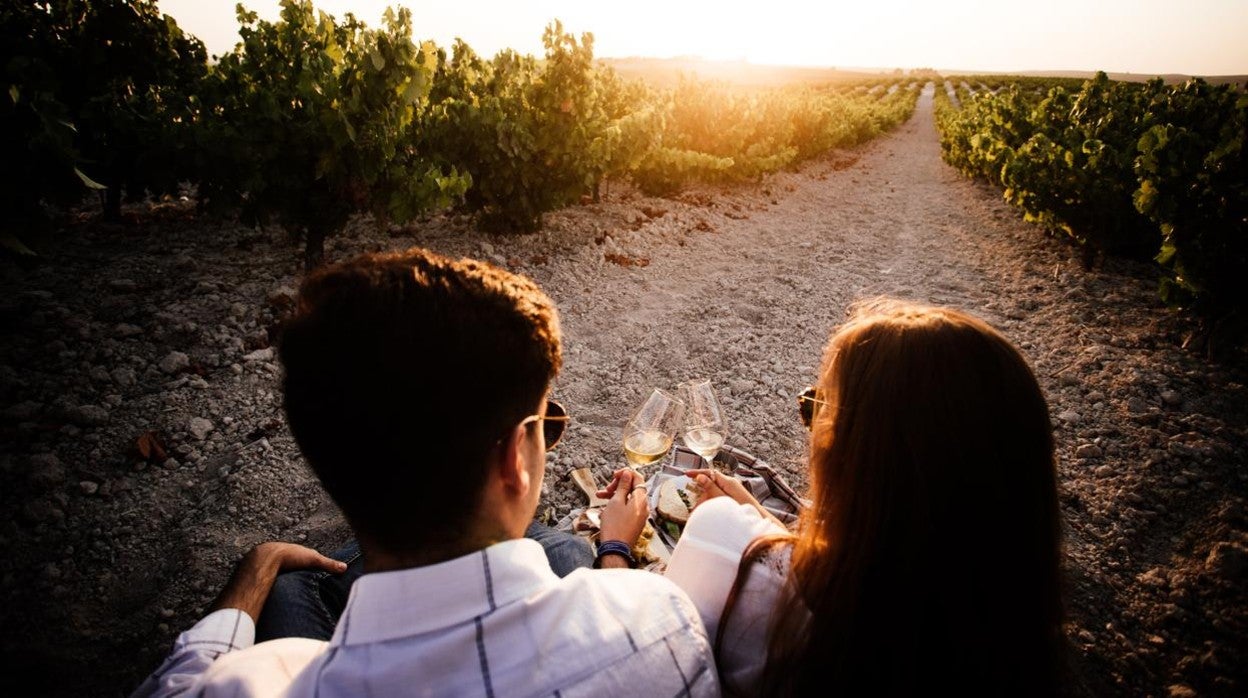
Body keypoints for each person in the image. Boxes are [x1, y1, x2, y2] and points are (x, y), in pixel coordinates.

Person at [132, 249, 719, 697]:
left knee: (289, 583)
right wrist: (613, 548)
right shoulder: (660, 624)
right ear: (515, 457)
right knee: (558, 546)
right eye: (547, 425)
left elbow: (179, 678)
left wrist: (256, 566)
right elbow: (623, 606)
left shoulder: (245, 683)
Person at [661, 299, 1064, 695]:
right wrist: (763, 522)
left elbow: (643, 660)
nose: (811, 427)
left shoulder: (725, 539)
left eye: (815, 407)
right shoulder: (1008, 633)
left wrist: (614, 550)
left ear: (860, 451)